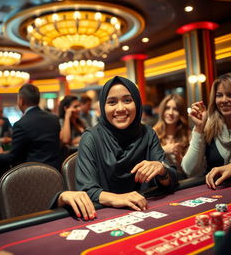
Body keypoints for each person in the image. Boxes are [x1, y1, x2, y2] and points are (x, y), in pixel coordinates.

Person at [75, 76, 178, 211]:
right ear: (103, 107)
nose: (120, 108)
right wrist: (118, 198)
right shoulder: (91, 138)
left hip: (145, 207)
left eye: (127, 100)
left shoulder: (148, 133)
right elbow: (86, 189)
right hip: (104, 213)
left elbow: (170, 181)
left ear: (137, 103)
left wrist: (162, 170)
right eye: (112, 102)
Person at [0, 84, 61, 170]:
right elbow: (39, 146)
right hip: (55, 173)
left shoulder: (21, 124)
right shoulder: (54, 119)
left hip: (32, 174)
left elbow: (12, 158)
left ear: (21, 100)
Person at [181, 73, 231, 178]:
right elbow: (188, 169)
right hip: (216, 190)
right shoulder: (208, 127)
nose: (224, 100)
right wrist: (199, 128)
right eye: (219, 95)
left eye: (230, 95)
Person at [153, 94, 190, 180]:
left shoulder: (188, 135)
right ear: (162, 110)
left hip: (182, 182)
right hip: (158, 182)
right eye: (167, 108)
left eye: (176, 109)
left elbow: (189, 171)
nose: (170, 113)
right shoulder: (152, 133)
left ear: (181, 113)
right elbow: (145, 159)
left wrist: (181, 161)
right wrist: (165, 149)